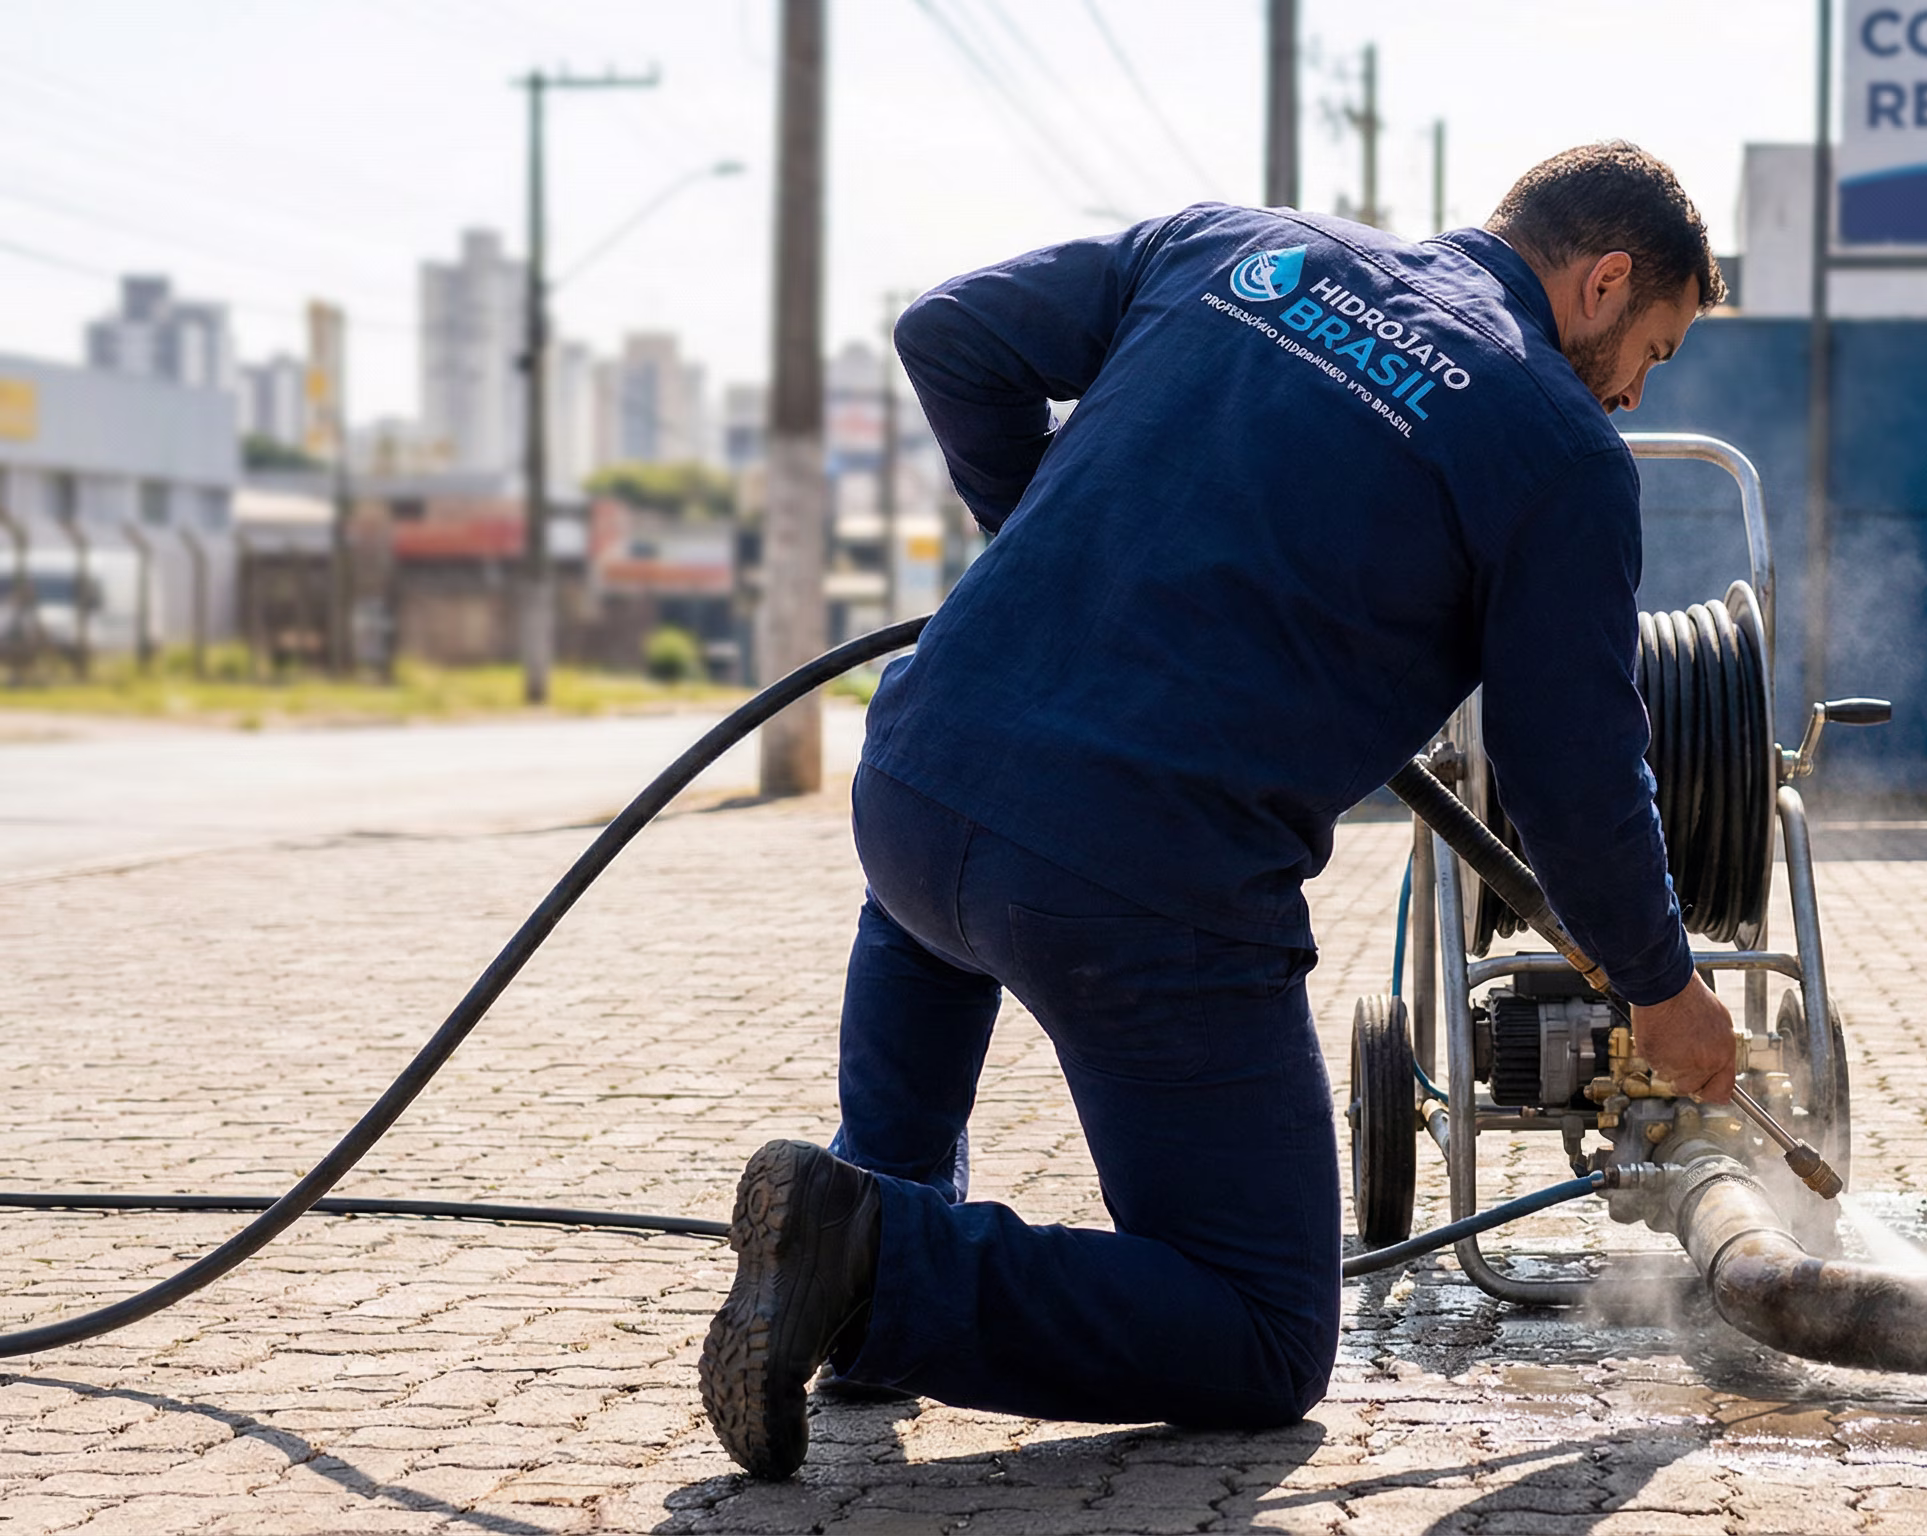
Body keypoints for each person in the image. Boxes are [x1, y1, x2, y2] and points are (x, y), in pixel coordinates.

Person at [700, 141, 1737, 1480]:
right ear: (1601, 281)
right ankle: (875, 1266)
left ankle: (856, 1245)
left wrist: (1041, 551)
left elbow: (950, 330)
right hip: (1134, 876)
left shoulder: (1236, 249)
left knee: (952, 898)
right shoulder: (1557, 449)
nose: (1637, 388)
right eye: (1650, 347)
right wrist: (1660, 987)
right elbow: (1574, 765)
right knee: (1261, 1331)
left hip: (917, 781)